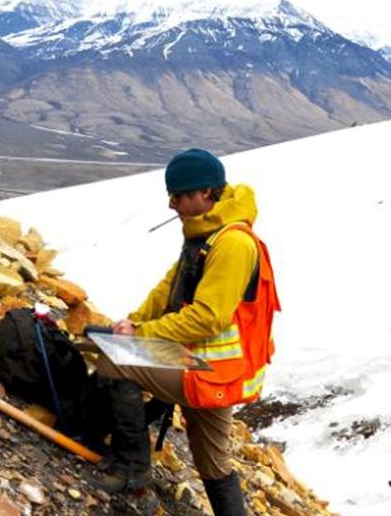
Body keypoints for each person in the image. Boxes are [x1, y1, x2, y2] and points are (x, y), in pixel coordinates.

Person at [83, 148, 281, 516]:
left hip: (209, 369)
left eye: (179, 195)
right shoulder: (207, 233)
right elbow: (170, 286)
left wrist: (139, 335)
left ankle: (132, 471)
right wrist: (133, 321)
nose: (172, 204)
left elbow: (208, 317)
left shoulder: (233, 244)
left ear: (206, 193)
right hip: (211, 367)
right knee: (214, 463)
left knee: (114, 361)